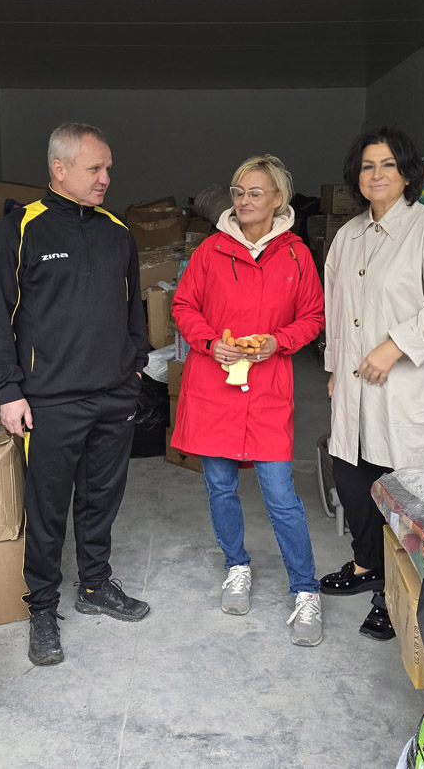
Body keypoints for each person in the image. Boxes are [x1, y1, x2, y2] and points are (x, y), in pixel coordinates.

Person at [0, 123, 151, 667]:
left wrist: (134, 367)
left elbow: (133, 310)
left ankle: (96, 586)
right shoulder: (19, 231)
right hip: (48, 400)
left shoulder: (117, 230)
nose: (106, 179)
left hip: (112, 396)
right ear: (60, 169)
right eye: (95, 169)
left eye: (108, 169)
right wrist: (8, 390)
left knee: (101, 500)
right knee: (48, 510)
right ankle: (43, 609)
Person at [319, 127, 424, 641]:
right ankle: (366, 566)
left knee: (400, 491)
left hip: (408, 388)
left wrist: (394, 345)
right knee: (352, 475)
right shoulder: (348, 236)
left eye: (386, 165)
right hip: (356, 384)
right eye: (366, 166)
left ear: (406, 173)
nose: (376, 175)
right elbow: (335, 310)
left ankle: (398, 591)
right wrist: (335, 367)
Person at [172, 154, 326, 646]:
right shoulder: (210, 251)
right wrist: (207, 340)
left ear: (278, 199)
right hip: (215, 383)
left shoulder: (298, 255)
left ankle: (305, 591)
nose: (243, 201)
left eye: (254, 192)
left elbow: (314, 316)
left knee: (280, 494)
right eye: (238, 192)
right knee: (219, 485)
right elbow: (183, 305)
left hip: (266, 388)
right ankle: (236, 564)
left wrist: (277, 343)